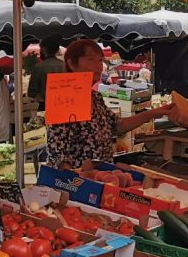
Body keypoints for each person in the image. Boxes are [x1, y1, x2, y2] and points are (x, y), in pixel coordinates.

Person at [45, 38, 165, 166]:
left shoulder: (96, 97)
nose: (98, 65)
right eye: (91, 59)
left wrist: (153, 113)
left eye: (100, 60)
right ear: (72, 64)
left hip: (103, 176)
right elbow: (57, 152)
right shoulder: (63, 98)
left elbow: (118, 126)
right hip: (77, 180)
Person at [26, 41, 66, 110]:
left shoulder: (38, 67)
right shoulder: (65, 65)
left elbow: (31, 92)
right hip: (64, 105)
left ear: (44, 50)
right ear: (57, 50)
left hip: (45, 106)